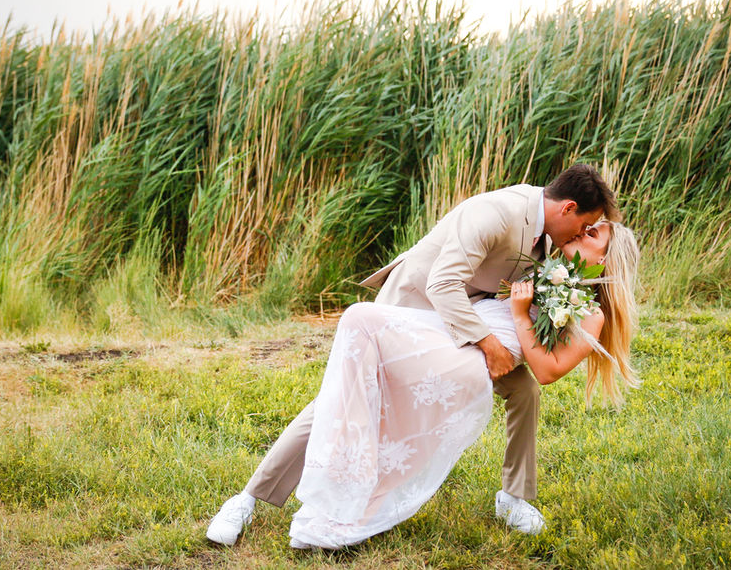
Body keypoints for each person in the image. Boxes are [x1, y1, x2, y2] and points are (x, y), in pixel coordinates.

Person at [207, 164, 621, 546]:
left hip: (463, 319)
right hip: (413, 306)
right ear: (567, 208)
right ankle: (248, 499)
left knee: (524, 389)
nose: (581, 234)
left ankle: (514, 497)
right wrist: (490, 345)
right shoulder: (498, 213)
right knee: (340, 399)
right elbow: (442, 285)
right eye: (584, 225)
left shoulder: (551, 237)